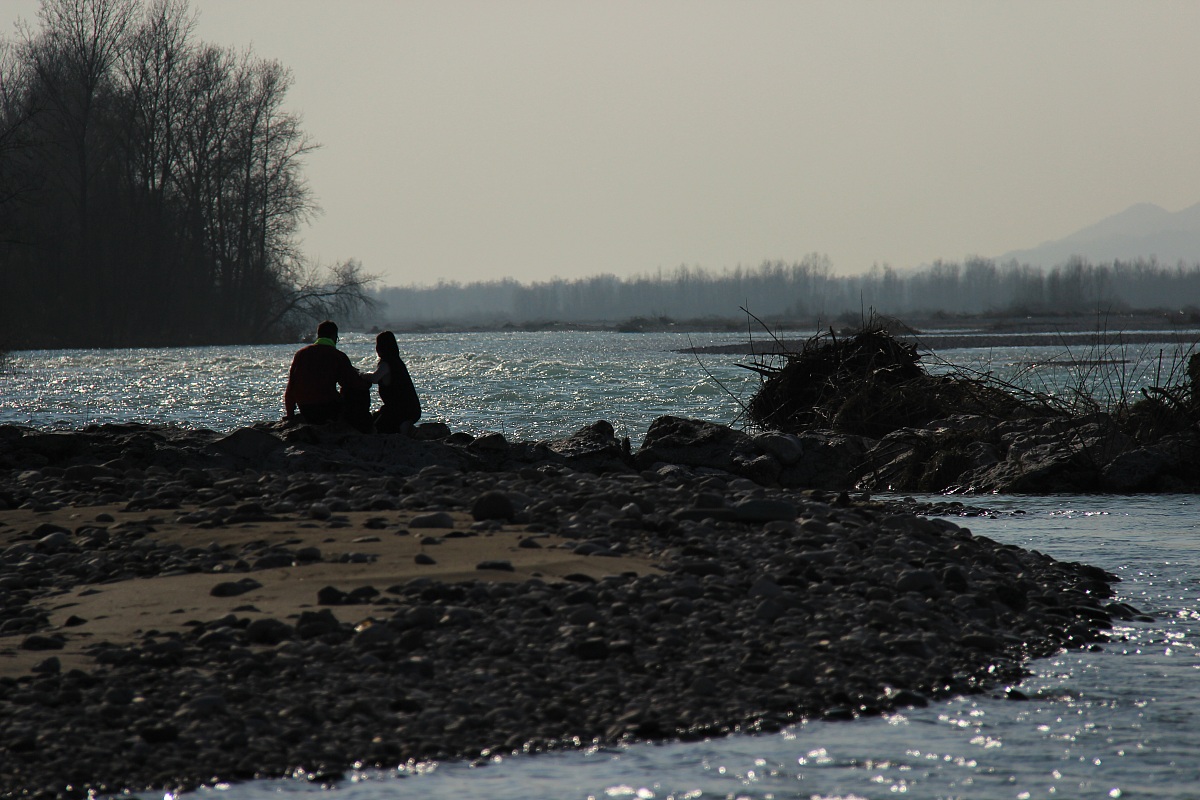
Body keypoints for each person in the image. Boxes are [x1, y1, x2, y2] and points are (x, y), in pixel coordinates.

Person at [284, 320, 371, 429]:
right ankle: (364, 428)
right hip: (327, 408)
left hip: (305, 408)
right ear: (334, 337)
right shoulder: (337, 356)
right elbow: (351, 382)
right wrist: (367, 382)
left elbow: (291, 386)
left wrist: (290, 415)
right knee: (356, 392)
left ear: (318, 335)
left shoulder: (301, 354)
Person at [363, 330, 422, 434]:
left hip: (400, 410)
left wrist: (361, 375)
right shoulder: (398, 362)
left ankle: (404, 427)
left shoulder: (386, 363)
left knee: (373, 428)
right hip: (412, 409)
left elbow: (374, 378)